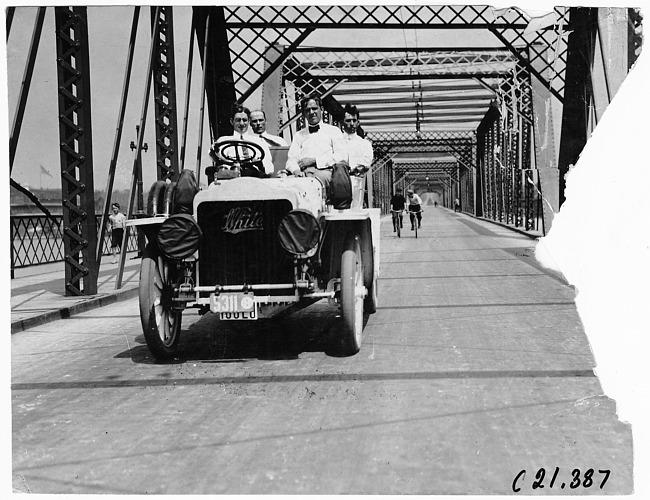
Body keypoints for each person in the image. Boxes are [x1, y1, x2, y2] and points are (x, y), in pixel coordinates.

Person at [285, 96, 348, 196]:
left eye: (314, 108)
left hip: (325, 172)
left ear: (321, 110)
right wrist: (296, 171)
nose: (311, 112)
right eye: (307, 110)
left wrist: (315, 161)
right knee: (282, 184)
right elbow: (291, 160)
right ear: (304, 114)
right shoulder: (299, 135)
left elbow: (341, 156)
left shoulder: (333, 131)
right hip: (303, 174)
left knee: (312, 183)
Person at [211, 103, 274, 177]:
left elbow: (269, 167)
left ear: (248, 121)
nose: (241, 123)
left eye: (244, 120)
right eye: (238, 120)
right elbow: (214, 155)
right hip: (230, 177)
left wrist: (261, 166)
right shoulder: (223, 141)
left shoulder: (259, 142)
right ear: (232, 121)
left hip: (254, 177)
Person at [341, 104, 373, 175]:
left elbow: (366, 163)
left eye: (354, 120)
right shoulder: (336, 142)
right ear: (342, 122)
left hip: (357, 181)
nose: (352, 123)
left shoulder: (365, 144)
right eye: (348, 121)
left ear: (358, 123)